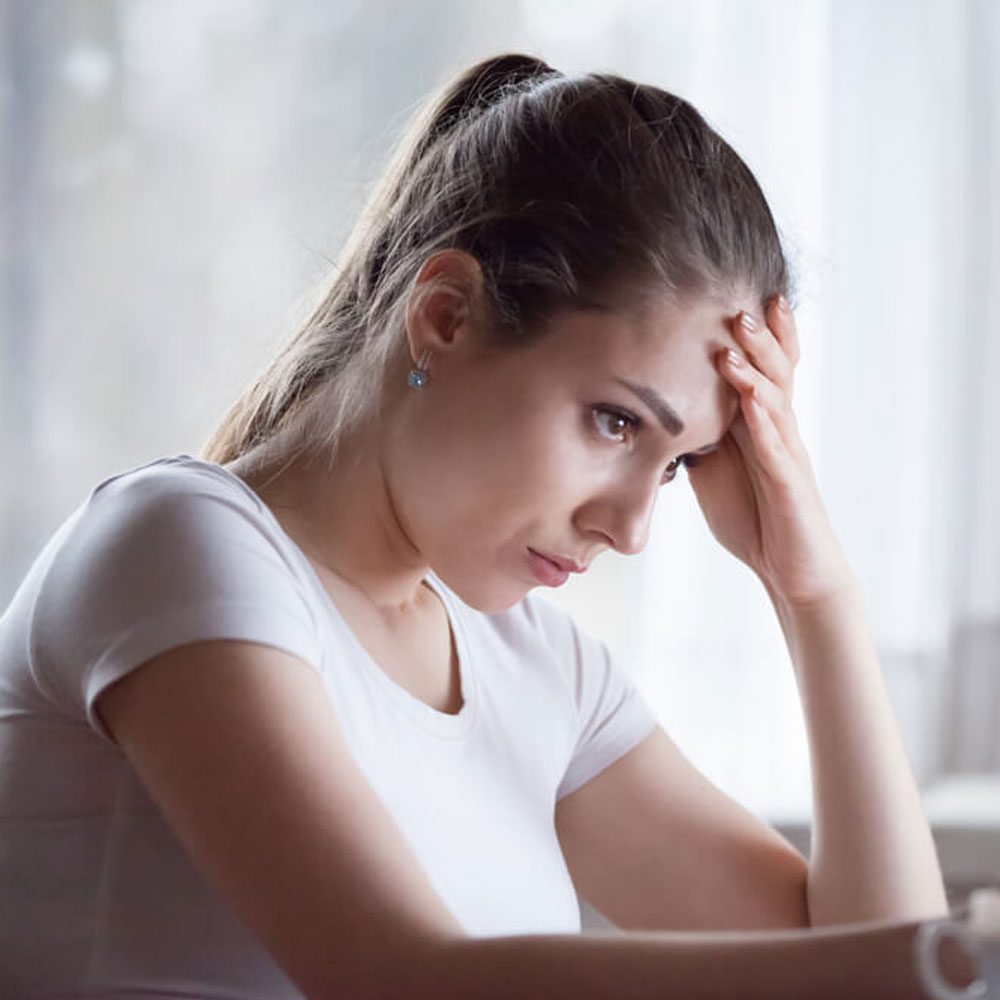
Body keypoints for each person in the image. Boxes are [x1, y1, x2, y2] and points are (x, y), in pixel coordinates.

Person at [0, 52, 984, 1000]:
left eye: (678, 462)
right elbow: (399, 980)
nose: (630, 529)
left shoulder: (536, 668)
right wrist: (954, 956)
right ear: (445, 315)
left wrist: (812, 593)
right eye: (615, 421)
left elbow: (865, 974)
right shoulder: (181, 544)